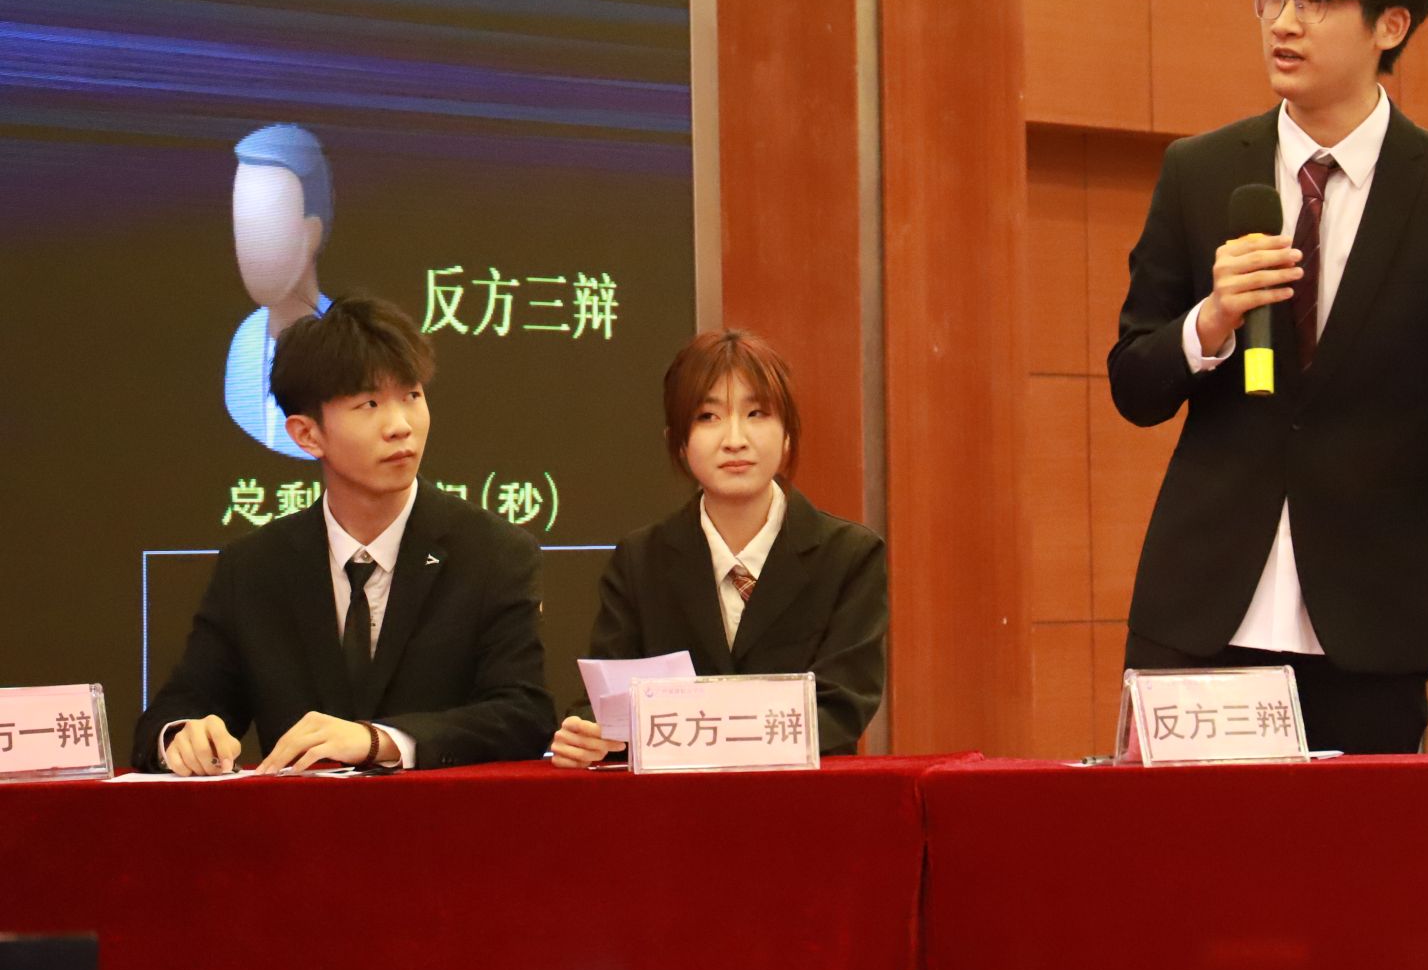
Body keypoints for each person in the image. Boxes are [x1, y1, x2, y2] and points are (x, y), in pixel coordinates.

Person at [1109, 0, 1428, 755]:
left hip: (1371, 615)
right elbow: (1133, 380)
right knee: (1180, 838)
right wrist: (1210, 321)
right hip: (1202, 605)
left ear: (1390, 24)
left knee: (1356, 844)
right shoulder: (1199, 171)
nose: (1285, 21)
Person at [135, 295, 554, 773]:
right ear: (307, 435)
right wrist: (182, 737)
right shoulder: (254, 567)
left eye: (412, 396)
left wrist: (381, 741)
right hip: (298, 819)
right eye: (369, 404)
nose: (400, 426)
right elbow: (173, 713)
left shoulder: (493, 552)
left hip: (444, 816)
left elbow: (523, 715)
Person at [549, 330, 886, 765]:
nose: (735, 439)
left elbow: (842, 709)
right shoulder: (641, 560)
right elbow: (606, 701)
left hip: (802, 797)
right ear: (678, 441)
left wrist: (714, 734)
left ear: (787, 434)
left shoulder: (849, 556)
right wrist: (588, 734)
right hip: (676, 802)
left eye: (756, 413)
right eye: (708, 417)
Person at [224, 123, 333, 460]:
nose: (250, 249)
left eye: (268, 227)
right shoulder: (244, 344)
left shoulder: (348, 347)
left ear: (311, 233)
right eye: (244, 227)